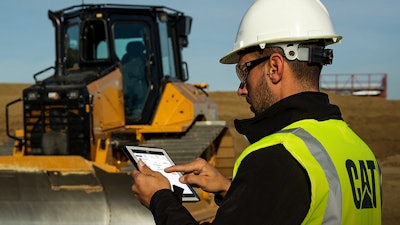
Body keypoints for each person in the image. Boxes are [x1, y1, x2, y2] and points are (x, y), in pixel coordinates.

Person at [131, 0, 382, 224]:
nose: (241, 89)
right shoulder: (358, 150)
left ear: (274, 67)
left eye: (244, 71)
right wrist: (231, 190)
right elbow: (300, 204)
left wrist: (160, 198)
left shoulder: (277, 156)